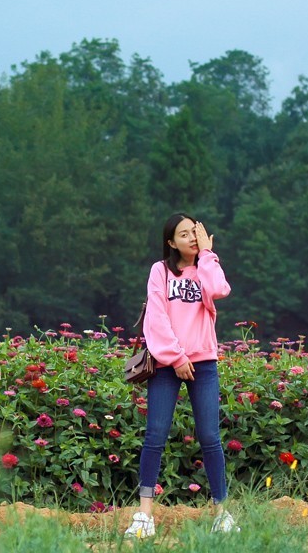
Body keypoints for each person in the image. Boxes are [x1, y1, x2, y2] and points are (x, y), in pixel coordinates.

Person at [124, 213, 238, 538]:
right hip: (166, 364)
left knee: (211, 438)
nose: (191, 238)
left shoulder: (205, 268)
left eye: (195, 233)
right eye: (183, 234)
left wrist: (207, 254)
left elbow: (221, 289)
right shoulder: (160, 271)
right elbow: (156, 318)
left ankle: (222, 514)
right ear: (171, 242)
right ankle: (144, 515)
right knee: (155, 435)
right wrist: (175, 358)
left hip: (203, 364)